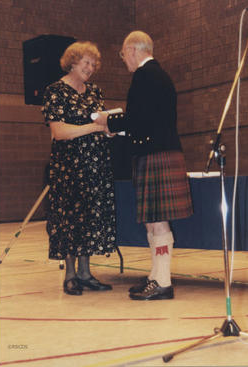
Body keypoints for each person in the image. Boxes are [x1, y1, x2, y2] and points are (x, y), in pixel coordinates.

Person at [95, 31, 193, 300]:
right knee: (153, 222)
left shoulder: (145, 74)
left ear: (133, 50)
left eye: (123, 54)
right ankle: (155, 276)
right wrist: (119, 127)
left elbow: (139, 118)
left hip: (156, 154)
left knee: (158, 222)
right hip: (156, 152)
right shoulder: (155, 74)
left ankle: (163, 282)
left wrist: (109, 123)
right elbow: (146, 119)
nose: (124, 59)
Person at [42, 41, 116, 295]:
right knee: (70, 219)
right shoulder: (55, 91)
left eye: (94, 64)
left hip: (95, 166)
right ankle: (70, 275)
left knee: (90, 218)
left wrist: (110, 128)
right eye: (86, 62)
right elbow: (59, 131)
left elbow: (102, 124)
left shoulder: (94, 91)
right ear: (72, 62)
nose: (91, 68)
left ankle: (86, 273)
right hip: (68, 167)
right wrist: (95, 127)